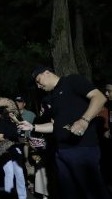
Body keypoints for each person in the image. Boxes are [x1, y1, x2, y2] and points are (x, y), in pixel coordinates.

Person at [17, 66, 111, 199]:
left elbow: (100, 98)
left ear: (47, 73)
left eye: (38, 81)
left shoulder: (72, 81)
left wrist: (84, 120)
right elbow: (55, 125)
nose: (38, 86)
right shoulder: (53, 97)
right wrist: (32, 127)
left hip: (82, 148)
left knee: (92, 192)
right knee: (70, 193)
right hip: (61, 152)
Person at [0, 108, 27, 199]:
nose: (12, 112)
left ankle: (22, 197)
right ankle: (8, 196)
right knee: (9, 173)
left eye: (14, 110)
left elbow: (22, 135)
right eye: (10, 111)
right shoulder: (3, 121)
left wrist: (22, 140)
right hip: (6, 150)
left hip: (17, 149)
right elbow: (0, 138)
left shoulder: (18, 122)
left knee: (19, 173)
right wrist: (12, 142)